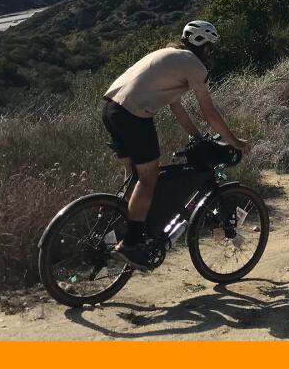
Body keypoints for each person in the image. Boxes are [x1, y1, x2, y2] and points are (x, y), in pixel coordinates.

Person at [101, 20, 250, 270]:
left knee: (134, 176)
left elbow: (176, 107)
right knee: (150, 178)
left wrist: (198, 137)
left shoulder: (169, 56)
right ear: (203, 45)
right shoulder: (194, 65)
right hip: (133, 114)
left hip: (111, 109)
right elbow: (209, 112)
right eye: (210, 47)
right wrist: (235, 141)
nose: (211, 53)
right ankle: (130, 243)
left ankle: (126, 227)